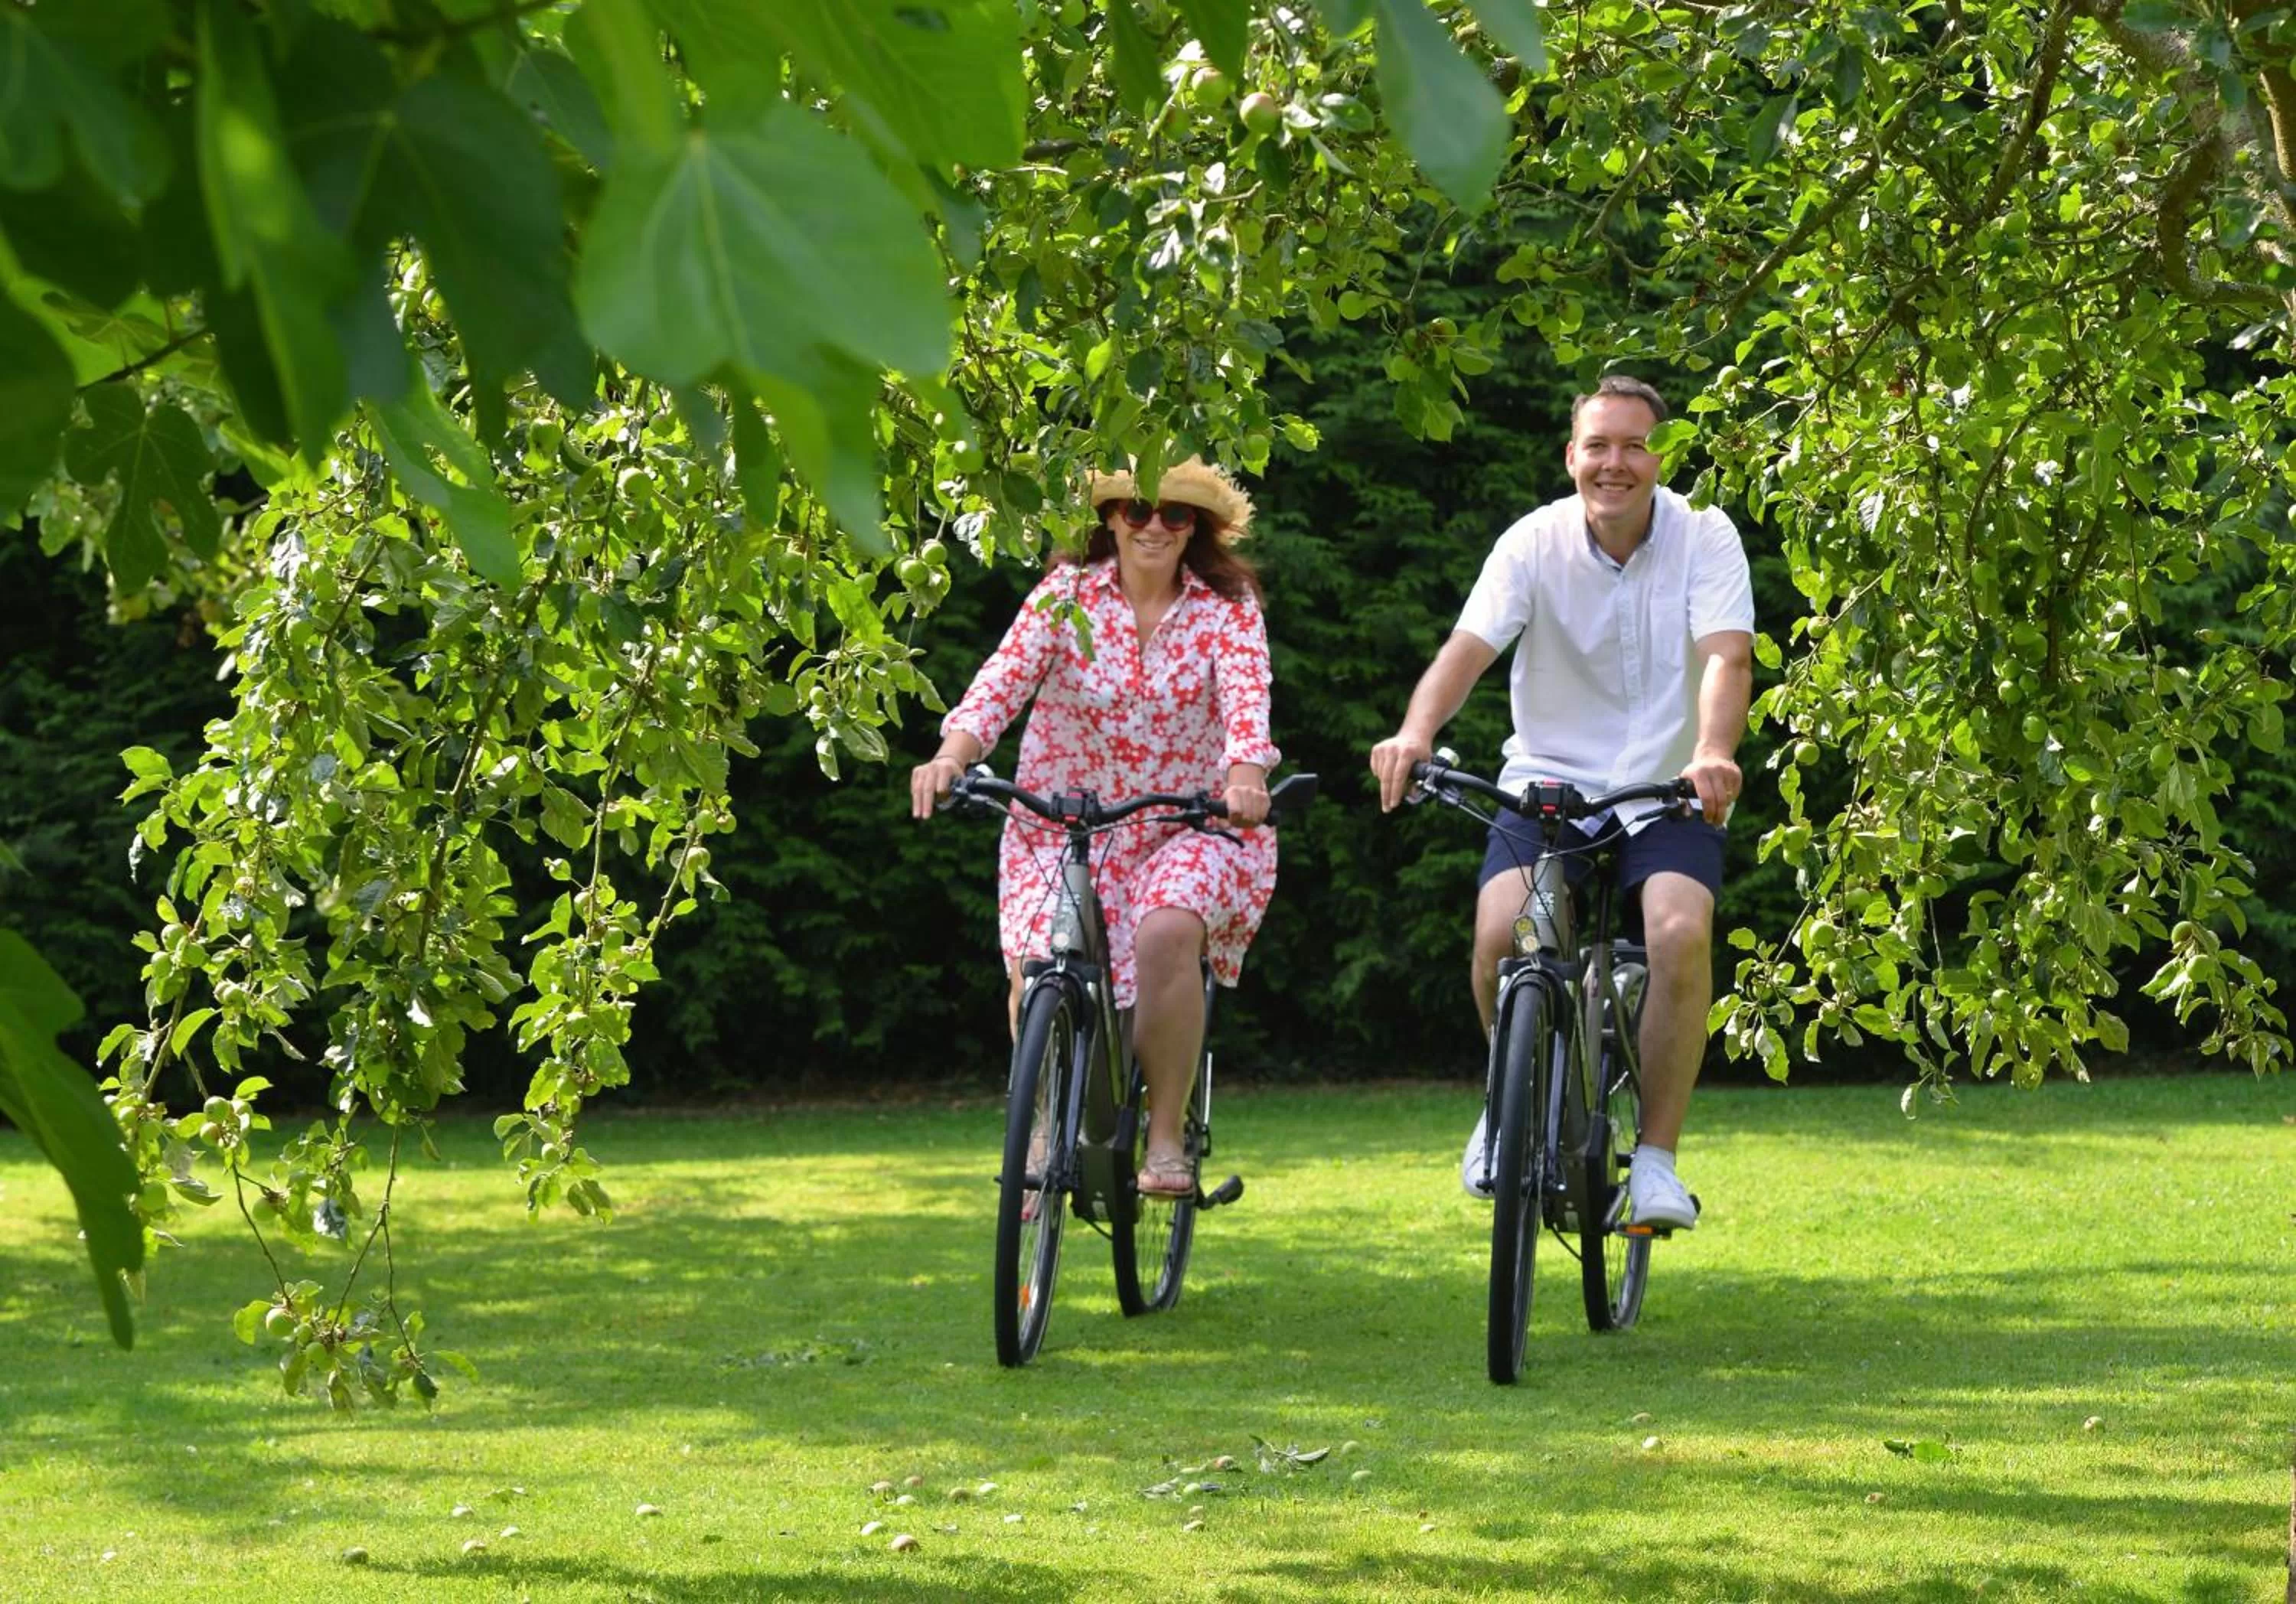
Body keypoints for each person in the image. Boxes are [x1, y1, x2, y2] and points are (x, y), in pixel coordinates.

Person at [1368, 376, 1755, 1231]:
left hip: (1666, 784)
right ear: (1571, 456)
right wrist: (1415, 732)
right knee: (1498, 936)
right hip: (1549, 780)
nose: (1615, 463)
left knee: (1679, 933)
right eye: (1598, 446)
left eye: (1635, 446)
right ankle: (1507, 1107)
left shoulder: (1705, 534)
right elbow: (1467, 649)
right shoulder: (1531, 542)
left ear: (1662, 456)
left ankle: (1655, 1161)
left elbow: (1727, 656)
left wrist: (1712, 750)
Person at [911, 456, 1282, 1198]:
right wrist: (952, 754)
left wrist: (1246, 775)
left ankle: (1166, 1139)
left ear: (1196, 528)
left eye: (1175, 514)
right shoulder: (1066, 596)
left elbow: (1248, 699)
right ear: (1110, 518)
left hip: (1185, 823)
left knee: (1168, 931)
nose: (1153, 527)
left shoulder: (1226, 606)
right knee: (1035, 963)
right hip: (1065, 824)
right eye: (1137, 510)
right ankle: (1045, 1118)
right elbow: (1001, 682)